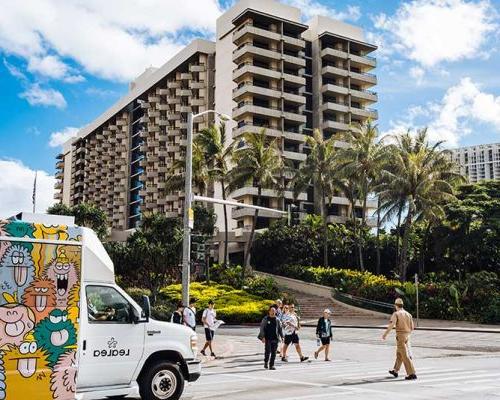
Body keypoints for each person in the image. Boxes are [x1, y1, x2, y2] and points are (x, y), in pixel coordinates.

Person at [382, 298, 417, 380]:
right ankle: (395, 370)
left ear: (395, 305)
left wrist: (385, 334)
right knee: (399, 354)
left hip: (400, 336)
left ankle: (411, 373)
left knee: (404, 355)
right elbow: (412, 327)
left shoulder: (396, 314)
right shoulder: (408, 314)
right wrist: (407, 332)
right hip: (407, 335)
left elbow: (391, 325)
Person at [258, 305, 283, 370]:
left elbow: (280, 329)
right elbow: (262, 328)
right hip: (267, 338)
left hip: (275, 338)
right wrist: (262, 337)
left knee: (274, 352)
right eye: (272, 311)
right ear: (269, 312)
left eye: (274, 311)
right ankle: (266, 362)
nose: (273, 312)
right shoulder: (265, 319)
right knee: (267, 351)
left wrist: (282, 336)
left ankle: (271, 365)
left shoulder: (277, 320)